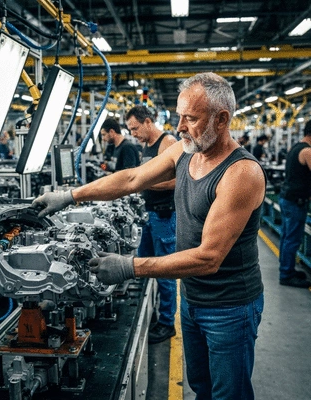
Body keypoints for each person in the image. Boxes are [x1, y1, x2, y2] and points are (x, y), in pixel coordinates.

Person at [32, 72, 266, 399]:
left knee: (229, 394)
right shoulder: (185, 153)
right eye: (180, 116)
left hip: (229, 308)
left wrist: (131, 266)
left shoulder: (240, 174)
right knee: (201, 387)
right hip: (195, 299)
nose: (180, 127)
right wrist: (71, 195)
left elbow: (209, 258)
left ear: (222, 119)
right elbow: (131, 179)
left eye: (191, 119)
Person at [125, 105, 178, 344]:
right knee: (144, 263)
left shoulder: (167, 143)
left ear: (148, 122)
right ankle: (152, 311)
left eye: (135, 128)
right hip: (148, 215)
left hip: (164, 217)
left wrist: (143, 183)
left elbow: (177, 181)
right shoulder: (145, 146)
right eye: (130, 130)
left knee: (165, 270)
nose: (133, 134)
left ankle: (167, 323)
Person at [278, 121, 311, 288]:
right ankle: (286, 274)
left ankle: (286, 268)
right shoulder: (307, 151)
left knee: (286, 237)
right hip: (295, 202)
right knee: (292, 239)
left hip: (287, 198)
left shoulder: (296, 147)